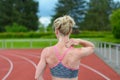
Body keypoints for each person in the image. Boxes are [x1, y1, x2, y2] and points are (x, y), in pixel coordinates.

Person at [35, 15, 95, 80]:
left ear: (56, 31)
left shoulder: (46, 52)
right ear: (70, 31)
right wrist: (79, 41)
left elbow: (37, 77)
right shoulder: (76, 52)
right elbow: (92, 47)